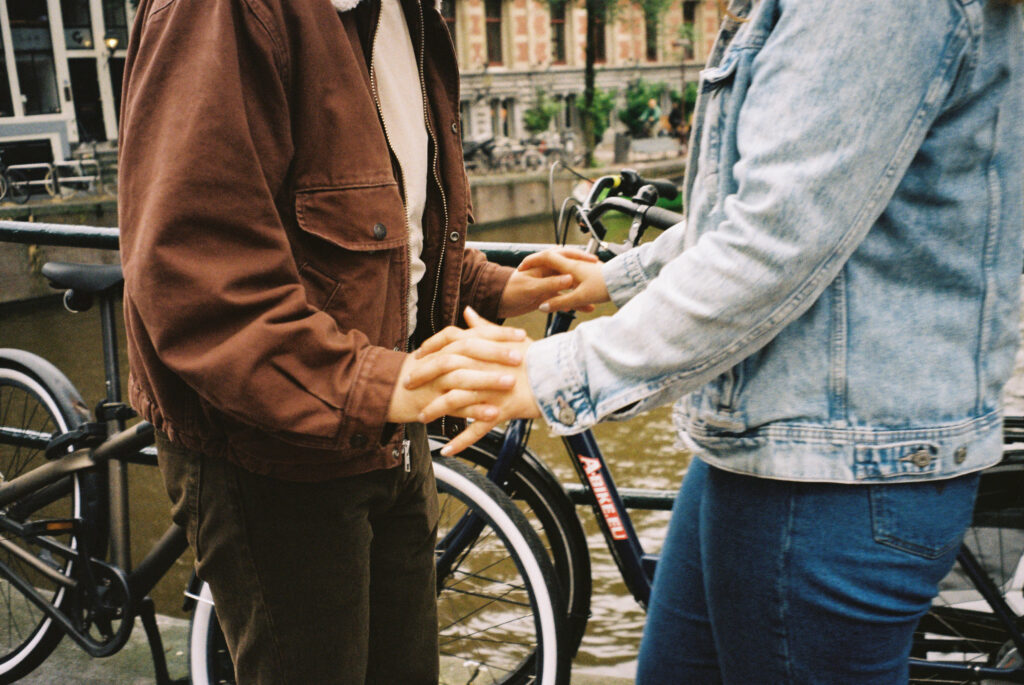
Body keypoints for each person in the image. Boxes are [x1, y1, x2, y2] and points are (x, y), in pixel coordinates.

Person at [412, 0, 1024, 682]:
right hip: (766, 449)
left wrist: (554, 370)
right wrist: (621, 277)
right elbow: (762, 201)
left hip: (832, 475)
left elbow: (774, 240)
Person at [116, 0, 582, 682]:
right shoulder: (221, 11)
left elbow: (378, 219)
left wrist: (494, 285)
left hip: (388, 432)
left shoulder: (408, 12)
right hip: (275, 455)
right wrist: (385, 383)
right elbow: (197, 273)